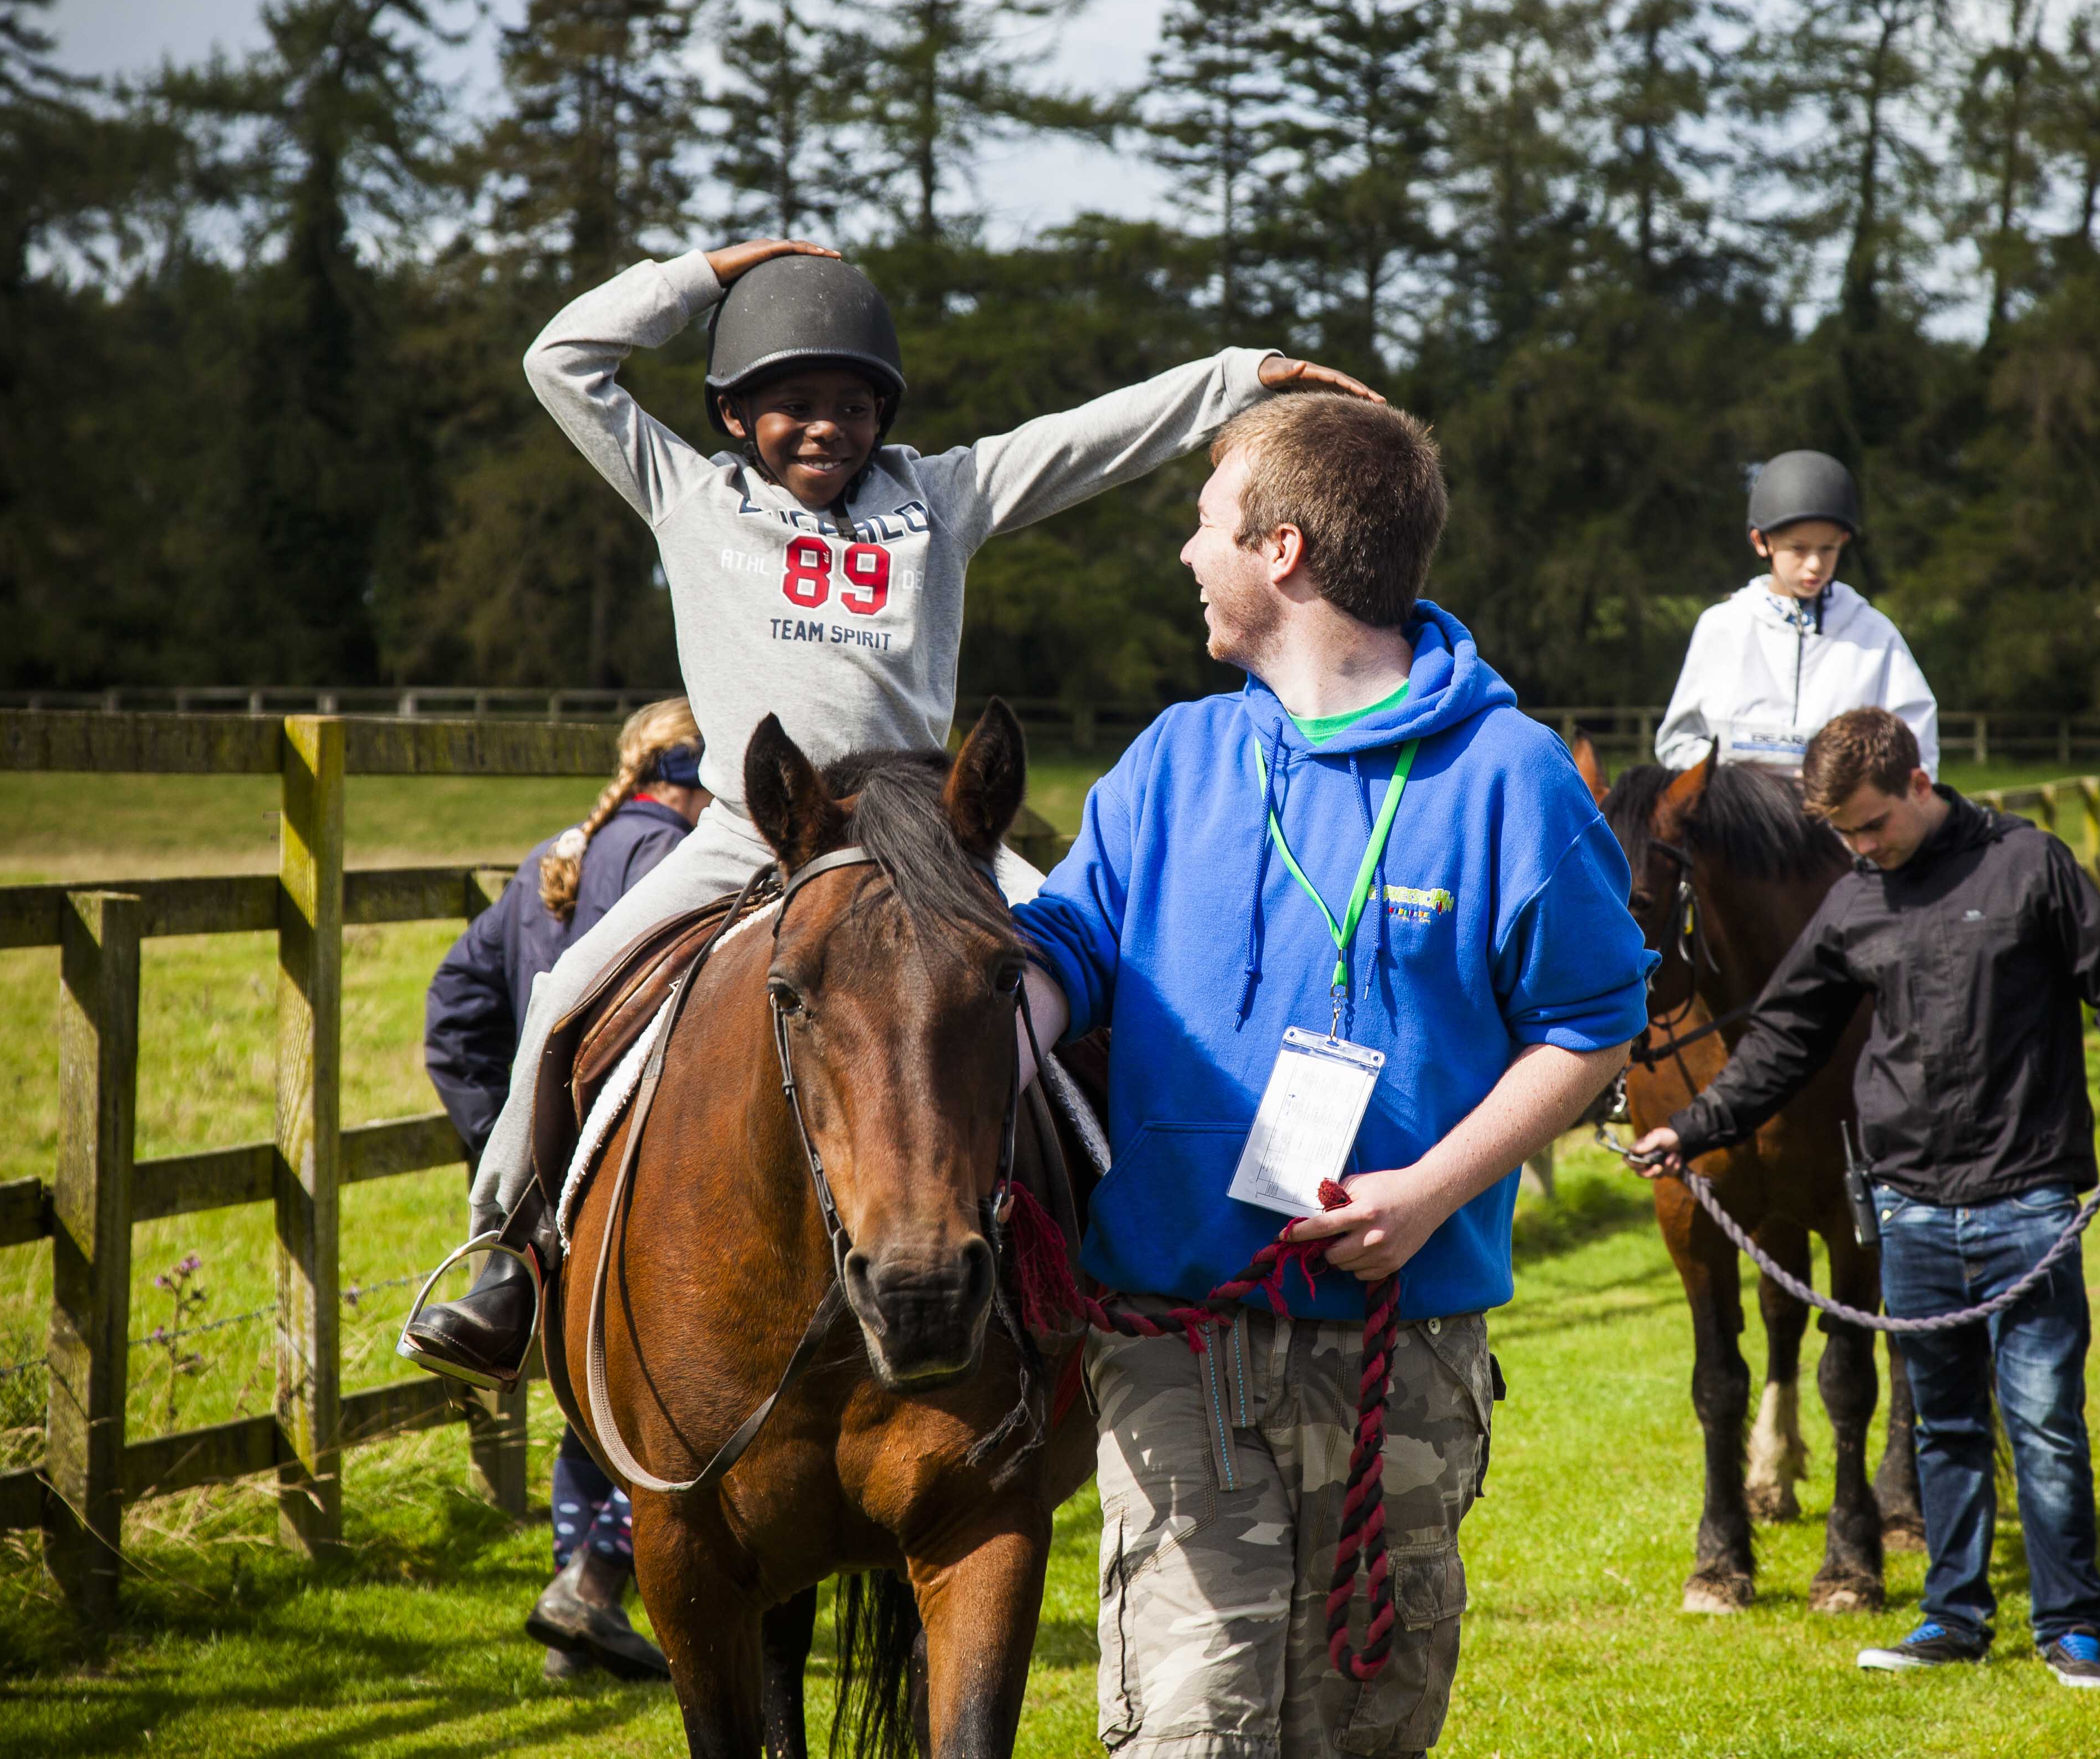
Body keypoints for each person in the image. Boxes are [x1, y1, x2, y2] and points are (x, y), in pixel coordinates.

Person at [400, 237, 1373, 1389]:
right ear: (731, 415)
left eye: (855, 406)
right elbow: (560, 359)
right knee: (568, 990)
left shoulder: (939, 498)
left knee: (1118, 984)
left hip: (928, 843)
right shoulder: (686, 494)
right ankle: (508, 1256)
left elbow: (1086, 438)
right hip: (750, 832)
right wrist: (712, 272)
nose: (828, 428)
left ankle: (1152, 1240)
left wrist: (1238, 377)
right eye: (794, 404)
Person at [1012, 394, 1652, 1758]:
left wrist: (1434, 1188)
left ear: (1283, 548)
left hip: (1400, 1355)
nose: (1188, 552)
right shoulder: (1173, 759)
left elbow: (1593, 1024)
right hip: (1179, 1342)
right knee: (1190, 1732)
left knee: (1360, 1729)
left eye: (1206, 523)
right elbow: (1067, 947)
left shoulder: (1512, 778)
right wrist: (986, 1032)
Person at [1628, 707, 2100, 1693]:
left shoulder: (2031, 866)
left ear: (1919, 782)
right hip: (1910, 1201)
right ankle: (1954, 1617)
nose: (1861, 847)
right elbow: (1785, 1037)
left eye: (1872, 824)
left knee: (2043, 1422)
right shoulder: (1855, 900)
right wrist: (1692, 1127)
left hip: (2028, 1192)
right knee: (1946, 1425)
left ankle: (2071, 1628)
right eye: (1844, 834)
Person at [420, 698, 707, 1683]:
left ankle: (579, 1609)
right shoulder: (680, 861)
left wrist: (499, 1138)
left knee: (591, 1395)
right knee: (672, 1399)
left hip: (547, 1192)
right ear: (697, 771)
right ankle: (593, 1581)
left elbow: (453, 1010)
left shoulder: (556, 854)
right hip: (646, 1182)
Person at [1655, 449, 1938, 781]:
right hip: (1738, 812)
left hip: (1838, 814)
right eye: (1798, 549)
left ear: (1843, 541)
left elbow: (1917, 755)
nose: (1815, 564)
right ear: (1762, 542)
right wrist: (1741, 788)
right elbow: (1679, 744)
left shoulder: (1875, 635)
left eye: (1828, 548)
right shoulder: (1722, 627)